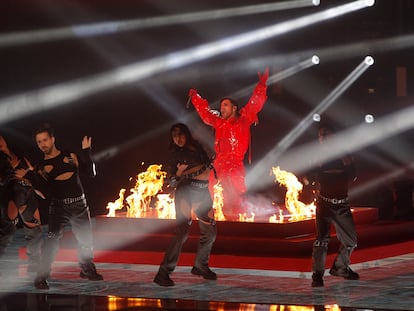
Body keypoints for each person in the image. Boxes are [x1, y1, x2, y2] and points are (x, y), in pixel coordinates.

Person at [188, 68, 269, 220]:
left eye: (225, 105)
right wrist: (195, 97)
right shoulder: (218, 121)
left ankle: (238, 218)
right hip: (219, 163)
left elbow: (255, 103)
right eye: (221, 105)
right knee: (213, 191)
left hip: (235, 164)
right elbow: (205, 113)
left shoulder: (244, 119)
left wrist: (262, 85)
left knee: (236, 194)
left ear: (234, 108)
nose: (221, 108)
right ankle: (214, 218)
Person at [32, 124, 103, 290]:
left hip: (80, 204)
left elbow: (91, 173)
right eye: (39, 142)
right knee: (51, 241)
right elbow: (44, 192)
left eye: (45, 140)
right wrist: (34, 177)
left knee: (86, 239)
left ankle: (87, 269)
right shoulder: (41, 167)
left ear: (52, 139)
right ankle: (41, 276)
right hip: (58, 207)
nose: (42, 144)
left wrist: (86, 152)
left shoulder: (70, 155)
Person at [154, 123, 217, 287]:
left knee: (210, 231)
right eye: (174, 136)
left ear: (186, 134)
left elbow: (211, 160)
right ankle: (163, 274)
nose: (178, 138)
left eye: (180, 134)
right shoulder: (175, 155)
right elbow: (172, 182)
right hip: (186, 193)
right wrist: (179, 173)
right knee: (182, 233)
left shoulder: (197, 147)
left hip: (203, 193)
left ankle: (200, 266)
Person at [308, 123, 359, 287]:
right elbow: (309, 178)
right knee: (321, 240)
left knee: (351, 241)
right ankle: (317, 275)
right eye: (320, 135)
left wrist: (347, 165)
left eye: (326, 134)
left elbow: (354, 176)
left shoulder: (344, 154)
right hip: (324, 204)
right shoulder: (316, 156)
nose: (323, 138)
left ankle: (340, 268)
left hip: (342, 205)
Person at [0, 135, 43, 273]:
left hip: (27, 191)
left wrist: (31, 174)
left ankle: (35, 264)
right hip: (9, 195)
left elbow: (33, 170)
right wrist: (14, 174)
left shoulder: (18, 151)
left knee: (34, 226)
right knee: (7, 231)